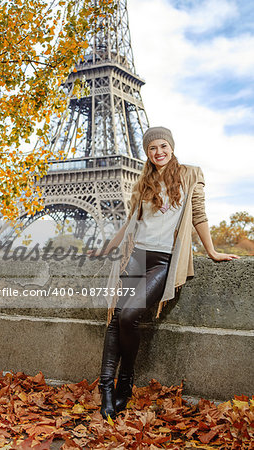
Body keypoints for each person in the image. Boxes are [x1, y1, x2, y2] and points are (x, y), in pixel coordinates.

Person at [87, 126, 240, 421]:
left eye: (163, 146)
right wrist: (107, 249)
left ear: (171, 146)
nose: (158, 153)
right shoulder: (143, 181)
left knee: (129, 316)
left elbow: (198, 215)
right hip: (135, 257)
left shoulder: (190, 174)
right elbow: (130, 222)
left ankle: (127, 378)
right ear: (147, 152)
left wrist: (211, 251)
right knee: (115, 319)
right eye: (152, 148)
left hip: (162, 261)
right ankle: (107, 390)